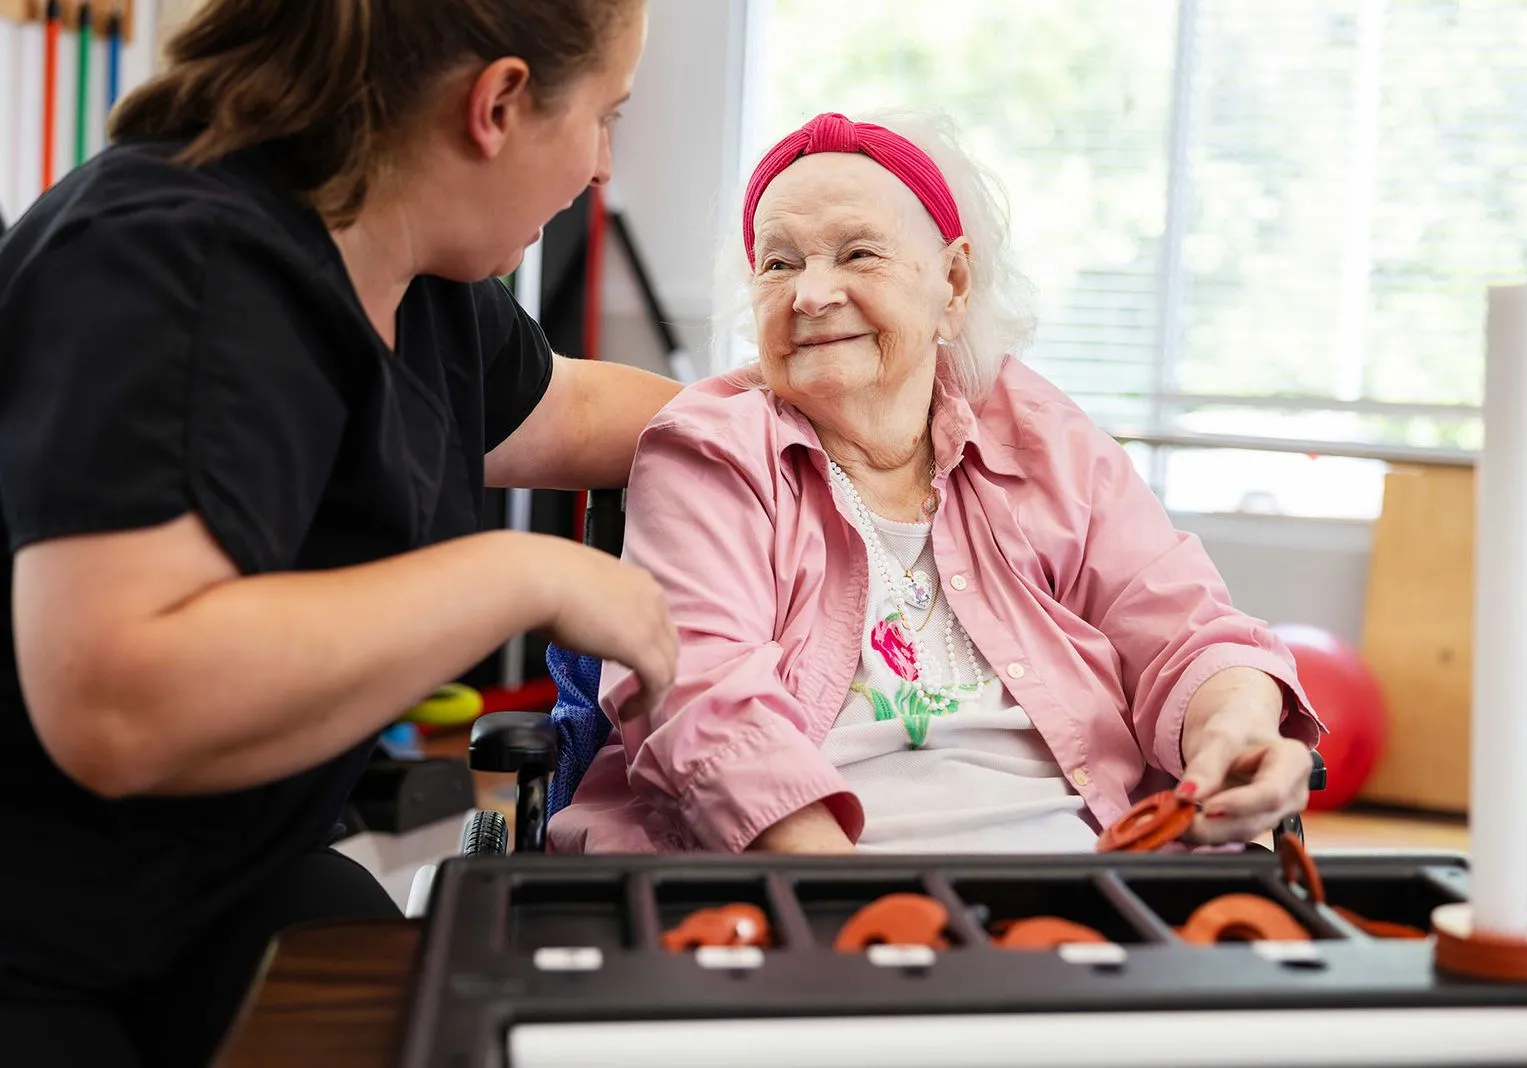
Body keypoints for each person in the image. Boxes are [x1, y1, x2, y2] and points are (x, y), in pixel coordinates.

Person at [0, 1, 680, 1065]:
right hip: (42, 911)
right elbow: (116, 703)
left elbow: (581, 415)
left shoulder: (428, 280)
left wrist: (817, 413)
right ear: (496, 103)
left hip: (226, 865)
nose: (600, 166)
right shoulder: (165, 261)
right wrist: (514, 574)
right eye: (605, 118)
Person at [549, 109, 1324, 857]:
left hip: (1081, 875)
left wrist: (1240, 725)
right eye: (778, 263)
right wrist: (843, 897)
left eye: (857, 254)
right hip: (800, 882)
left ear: (953, 283)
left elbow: (1187, 631)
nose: (810, 294)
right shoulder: (712, 449)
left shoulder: (1045, 439)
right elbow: (697, 694)